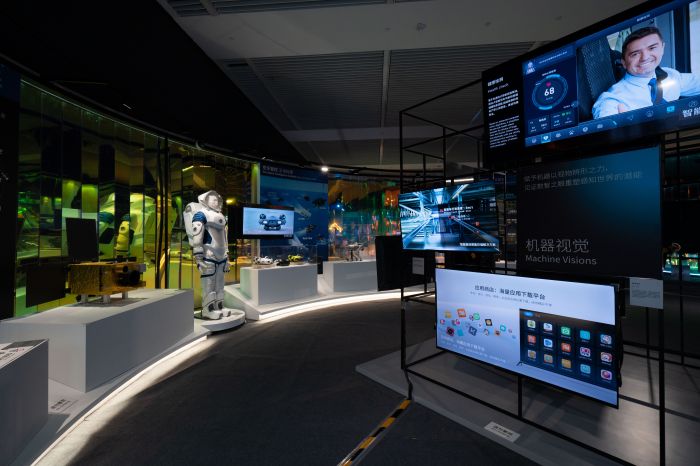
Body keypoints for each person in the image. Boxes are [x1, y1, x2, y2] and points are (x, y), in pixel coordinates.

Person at [592, 26, 700, 119]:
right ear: (624, 62)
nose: (645, 58)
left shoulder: (671, 75)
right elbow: (606, 119)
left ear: (662, 48)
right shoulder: (613, 98)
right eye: (635, 54)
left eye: (652, 48)